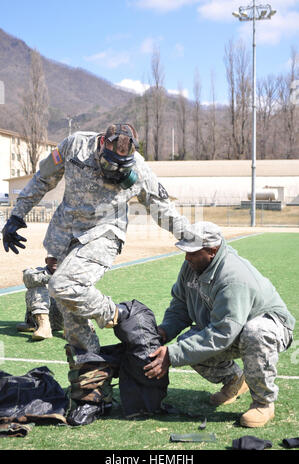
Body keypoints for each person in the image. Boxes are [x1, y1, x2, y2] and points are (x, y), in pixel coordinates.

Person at [2, 123, 190, 418]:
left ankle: (120, 314)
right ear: (102, 144)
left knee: (62, 286)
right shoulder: (74, 145)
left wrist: (191, 239)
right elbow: (42, 179)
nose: (115, 172)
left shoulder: (138, 168)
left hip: (104, 234)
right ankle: (92, 396)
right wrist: (16, 215)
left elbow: (161, 207)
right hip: (65, 234)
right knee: (72, 318)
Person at [144, 222, 295, 428]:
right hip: (229, 327)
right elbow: (180, 305)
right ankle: (234, 380)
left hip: (269, 325)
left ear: (212, 251)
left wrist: (172, 355)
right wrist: (164, 331)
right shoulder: (192, 266)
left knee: (255, 333)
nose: (187, 257)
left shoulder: (233, 277)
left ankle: (263, 402)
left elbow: (223, 332)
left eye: (193, 252)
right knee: (186, 344)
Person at [17, 256, 64, 340]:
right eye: (52, 258)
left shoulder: (70, 273)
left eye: (58, 257)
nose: (55, 260)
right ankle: (44, 327)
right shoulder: (38, 271)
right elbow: (28, 277)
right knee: (37, 288)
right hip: (38, 321)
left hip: (64, 320)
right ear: (46, 260)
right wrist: (52, 278)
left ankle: (77, 327)